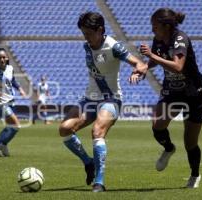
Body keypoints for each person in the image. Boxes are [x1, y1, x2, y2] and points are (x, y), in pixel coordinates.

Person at [59, 12, 147, 192]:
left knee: (97, 131)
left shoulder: (113, 46)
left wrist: (137, 71)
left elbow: (140, 64)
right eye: (84, 34)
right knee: (65, 129)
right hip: (89, 99)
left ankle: (99, 182)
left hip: (111, 99)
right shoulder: (87, 47)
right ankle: (88, 162)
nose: (86, 38)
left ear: (100, 30)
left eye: (89, 34)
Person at [138, 8, 202, 188]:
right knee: (157, 124)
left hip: (193, 92)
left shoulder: (180, 38)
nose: (152, 29)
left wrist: (151, 56)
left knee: (190, 142)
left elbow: (177, 66)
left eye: (155, 26)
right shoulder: (158, 39)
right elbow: (156, 59)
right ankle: (169, 148)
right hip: (172, 91)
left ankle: (195, 175)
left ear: (166, 26)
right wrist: (146, 66)